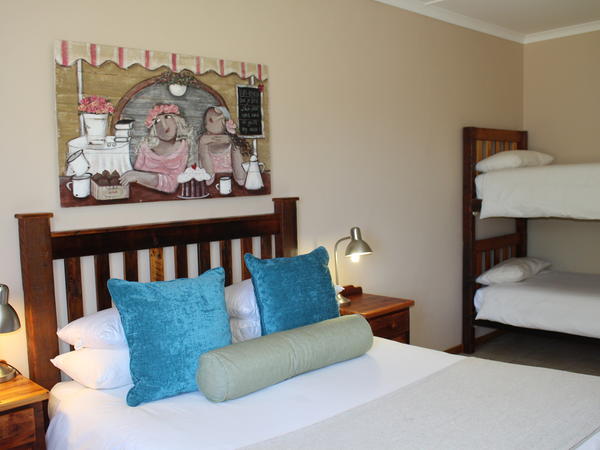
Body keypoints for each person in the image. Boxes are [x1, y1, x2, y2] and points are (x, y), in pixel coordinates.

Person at [120, 104, 195, 193]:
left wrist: (139, 176)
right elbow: (133, 176)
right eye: (157, 121)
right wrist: (136, 176)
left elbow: (172, 185)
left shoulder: (184, 147)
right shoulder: (146, 146)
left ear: (178, 121)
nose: (163, 125)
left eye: (167, 117)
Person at [198, 106, 249, 186]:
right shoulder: (203, 142)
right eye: (209, 119)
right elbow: (208, 179)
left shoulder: (231, 142)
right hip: (211, 187)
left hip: (232, 185)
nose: (210, 121)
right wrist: (202, 145)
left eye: (221, 118)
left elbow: (241, 179)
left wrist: (234, 142)